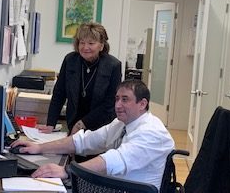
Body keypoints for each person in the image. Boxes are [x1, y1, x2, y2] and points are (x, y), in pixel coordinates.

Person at [11, 79, 175, 189]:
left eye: (125, 99)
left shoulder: (152, 132)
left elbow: (113, 161)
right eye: (117, 99)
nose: (118, 105)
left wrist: (66, 170)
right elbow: (83, 141)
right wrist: (39, 148)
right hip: (115, 187)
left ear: (142, 104)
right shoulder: (120, 124)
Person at [37, 22, 122, 135]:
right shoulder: (70, 60)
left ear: (101, 45)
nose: (85, 47)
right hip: (73, 125)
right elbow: (59, 94)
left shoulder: (113, 65)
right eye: (82, 42)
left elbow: (110, 103)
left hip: (101, 127)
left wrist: (82, 124)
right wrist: (50, 124)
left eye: (91, 43)